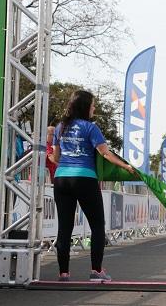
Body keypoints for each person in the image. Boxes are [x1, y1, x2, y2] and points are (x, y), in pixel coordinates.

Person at [51, 90, 135, 282]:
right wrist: (125, 166)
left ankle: (63, 273)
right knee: (97, 226)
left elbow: (56, 158)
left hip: (61, 178)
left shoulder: (60, 127)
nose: (94, 108)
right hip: (85, 179)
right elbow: (105, 153)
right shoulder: (91, 128)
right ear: (85, 106)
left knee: (64, 227)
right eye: (93, 104)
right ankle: (96, 271)